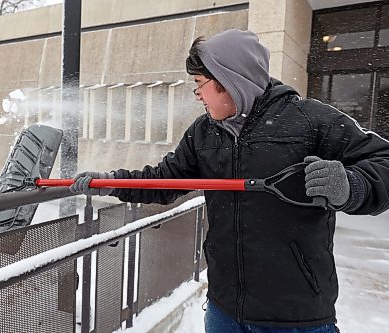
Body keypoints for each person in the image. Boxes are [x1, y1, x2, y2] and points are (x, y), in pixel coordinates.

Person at [69, 29, 389, 332]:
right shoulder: (203, 133)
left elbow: (383, 162)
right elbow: (165, 179)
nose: (197, 95)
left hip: (297, 316)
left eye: (199, 83)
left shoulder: (310, 120)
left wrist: (351, 186)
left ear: (227, 81)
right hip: (224, 310)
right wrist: (111, 182)